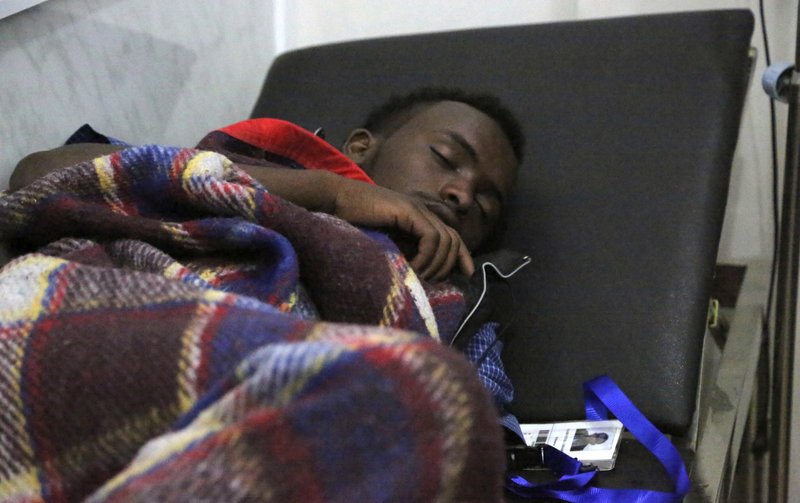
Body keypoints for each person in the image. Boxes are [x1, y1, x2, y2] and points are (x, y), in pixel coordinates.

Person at [9, 87, 524, 282]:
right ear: (361, 148)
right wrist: (333, 193)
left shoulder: (461, 308)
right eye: (445, 157)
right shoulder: (243, 169)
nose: (461, 194)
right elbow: (38, 176)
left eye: (485, 205)